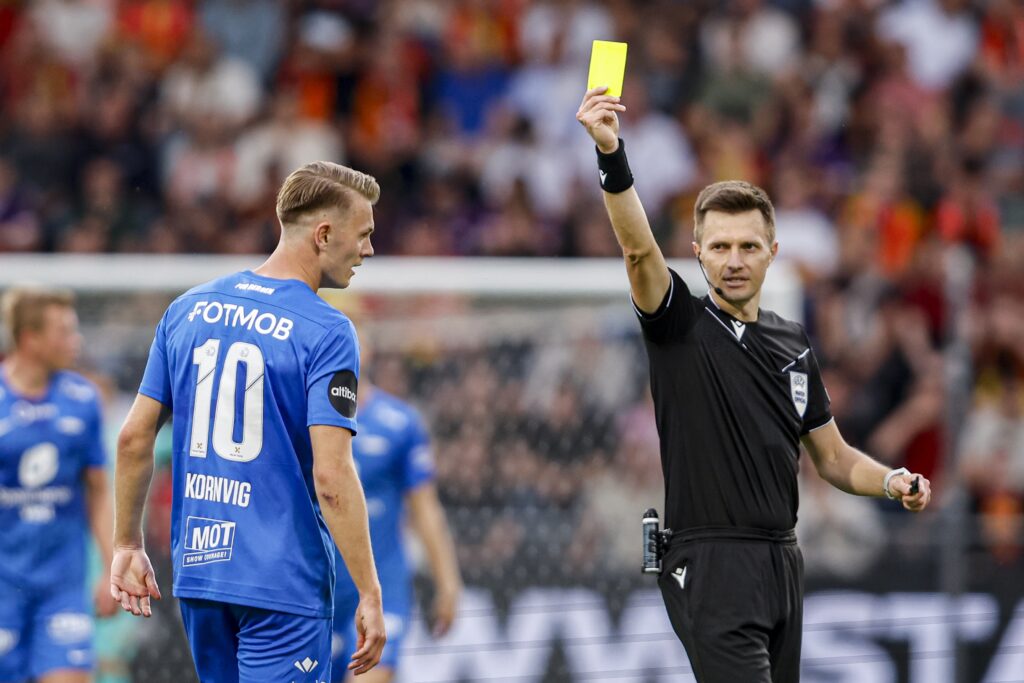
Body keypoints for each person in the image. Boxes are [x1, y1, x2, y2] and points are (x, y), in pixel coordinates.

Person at [576, 87, 933, 682]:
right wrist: (612, 154)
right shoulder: (679, 326)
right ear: (698, 254)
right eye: (718, 247)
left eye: (747, 246)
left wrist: (892, 480)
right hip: (710, 559)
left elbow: (835, 458)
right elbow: (639, 251)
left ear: (772, 253)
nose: (733, 259)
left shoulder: (792, 341)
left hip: (782, 562)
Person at [110, 161, 386, 681]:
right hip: (282, 581)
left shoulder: (187, 309)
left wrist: (127, 543)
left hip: (201, 574)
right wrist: (369, 590)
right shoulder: (328, 330)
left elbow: (132, 438)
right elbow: (332, 477)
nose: (368, 250)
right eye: (364, 234)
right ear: (324, 234)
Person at [0, 288, 116, 683]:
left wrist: (111, 564)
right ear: (31, 339)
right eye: (65, 332)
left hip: (62, 586)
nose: (76, 341)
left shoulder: (82, 399)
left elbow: (98, 489)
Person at [330, 374, 462, 683]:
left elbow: (425, 508)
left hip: (383, 582)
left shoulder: (401, 422)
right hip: (321, 584)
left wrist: (448, 582)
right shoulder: (306, 417)